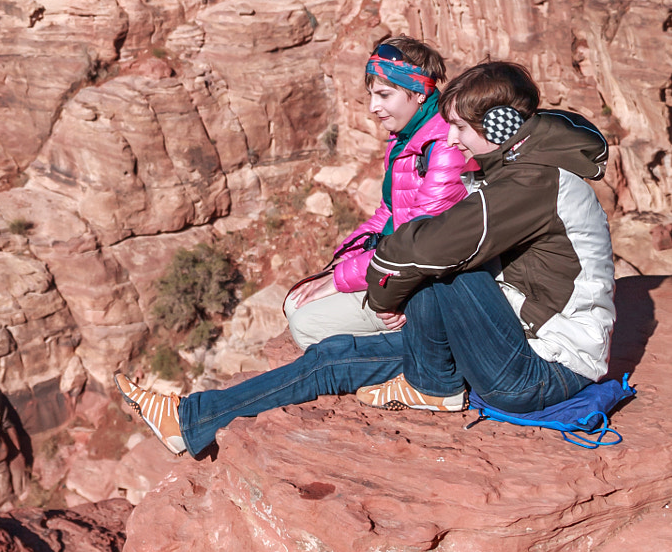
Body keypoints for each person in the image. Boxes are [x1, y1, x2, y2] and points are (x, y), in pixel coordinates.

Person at [114, 61, 614, 457]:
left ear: (500, 124)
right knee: (333, 359)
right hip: (501, 341)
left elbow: (429, 249)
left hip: (543, 369)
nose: (454, 138)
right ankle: (190, 419)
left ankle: (435, 385)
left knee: (439, 263)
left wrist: (385, 288)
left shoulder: (536, 181)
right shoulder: (509, 172)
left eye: (461, 126)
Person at [283, 35, 474, 348]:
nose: (373, 107)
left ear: (420, 93)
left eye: (384, 95)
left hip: (426, 284)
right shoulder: (406, 139)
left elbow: (416, 240)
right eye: (372, 95)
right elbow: (388, 212)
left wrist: (340, 280)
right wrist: (338, 267)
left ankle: (410, 367)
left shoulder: (443, 149)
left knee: (306, 322)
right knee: (297, 302)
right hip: (399, 267)